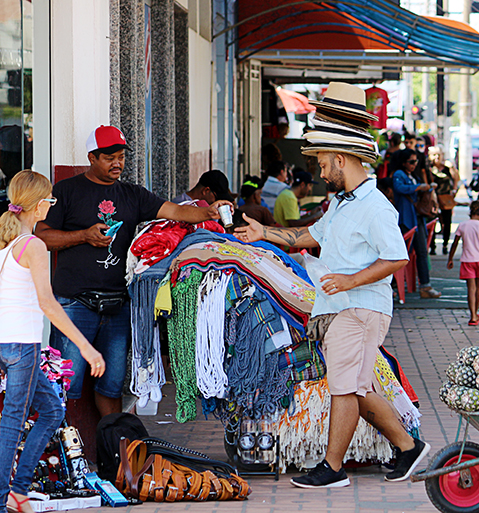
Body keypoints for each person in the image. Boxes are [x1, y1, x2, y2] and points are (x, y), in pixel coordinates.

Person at [234, 82, 429, 488]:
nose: (320, 172)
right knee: (357, 388)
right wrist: (264, 233)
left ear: (341, 159)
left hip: (359, 308)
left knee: (345, 386)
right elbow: (311, 235)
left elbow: (397, 258)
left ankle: (333, 467)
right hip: (341, 307)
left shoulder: (376, 207)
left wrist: (350, 280)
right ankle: (409, 448)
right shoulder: (342, 203)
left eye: (324, 164)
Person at [35, 125, 232, 422]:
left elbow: (175, 212)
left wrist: (208, 211)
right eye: (109, 157)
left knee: (112, 387)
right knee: (62, 386)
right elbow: (41, 237)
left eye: (121, 157)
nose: (117, 163)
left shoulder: (132, 194)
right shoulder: (66, 191)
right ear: (92, 157)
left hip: (118, 305)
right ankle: (60, 460)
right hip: (74, 304)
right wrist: (84, 236)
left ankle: (112, 452)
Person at [0, 171, 105, 513]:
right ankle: (5, 498)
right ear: (38, 205)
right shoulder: (34, 245)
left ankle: (17, 491)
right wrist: (86, 347)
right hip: (22, 346)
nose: (51, 204)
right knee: (14, 421)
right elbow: (48, 303)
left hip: (8, 344)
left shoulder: (6, 244)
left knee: (52, 409)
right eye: (50, 199)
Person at [392, 149, 441, 299]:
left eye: (416, 162)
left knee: (420, 252)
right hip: (405, 219)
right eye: (411, 162)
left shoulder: (412, 175)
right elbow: (399, 188)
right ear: (403, 162)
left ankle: (424, 285)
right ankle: (394, 285)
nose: (414, 165)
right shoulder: (399, 175)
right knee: (399, 254)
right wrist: (419, 187)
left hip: (416, 217)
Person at [428, 146, 459, 256]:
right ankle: (432, 246)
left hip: (446, 198)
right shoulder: (429, 168)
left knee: (446, 223)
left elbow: (456, 178)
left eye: (439, 154)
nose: (437, 157)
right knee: (433, 222)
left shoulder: (446, 168)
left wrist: (454, 189)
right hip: (433, 199)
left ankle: (445, 245)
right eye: (434, 154)